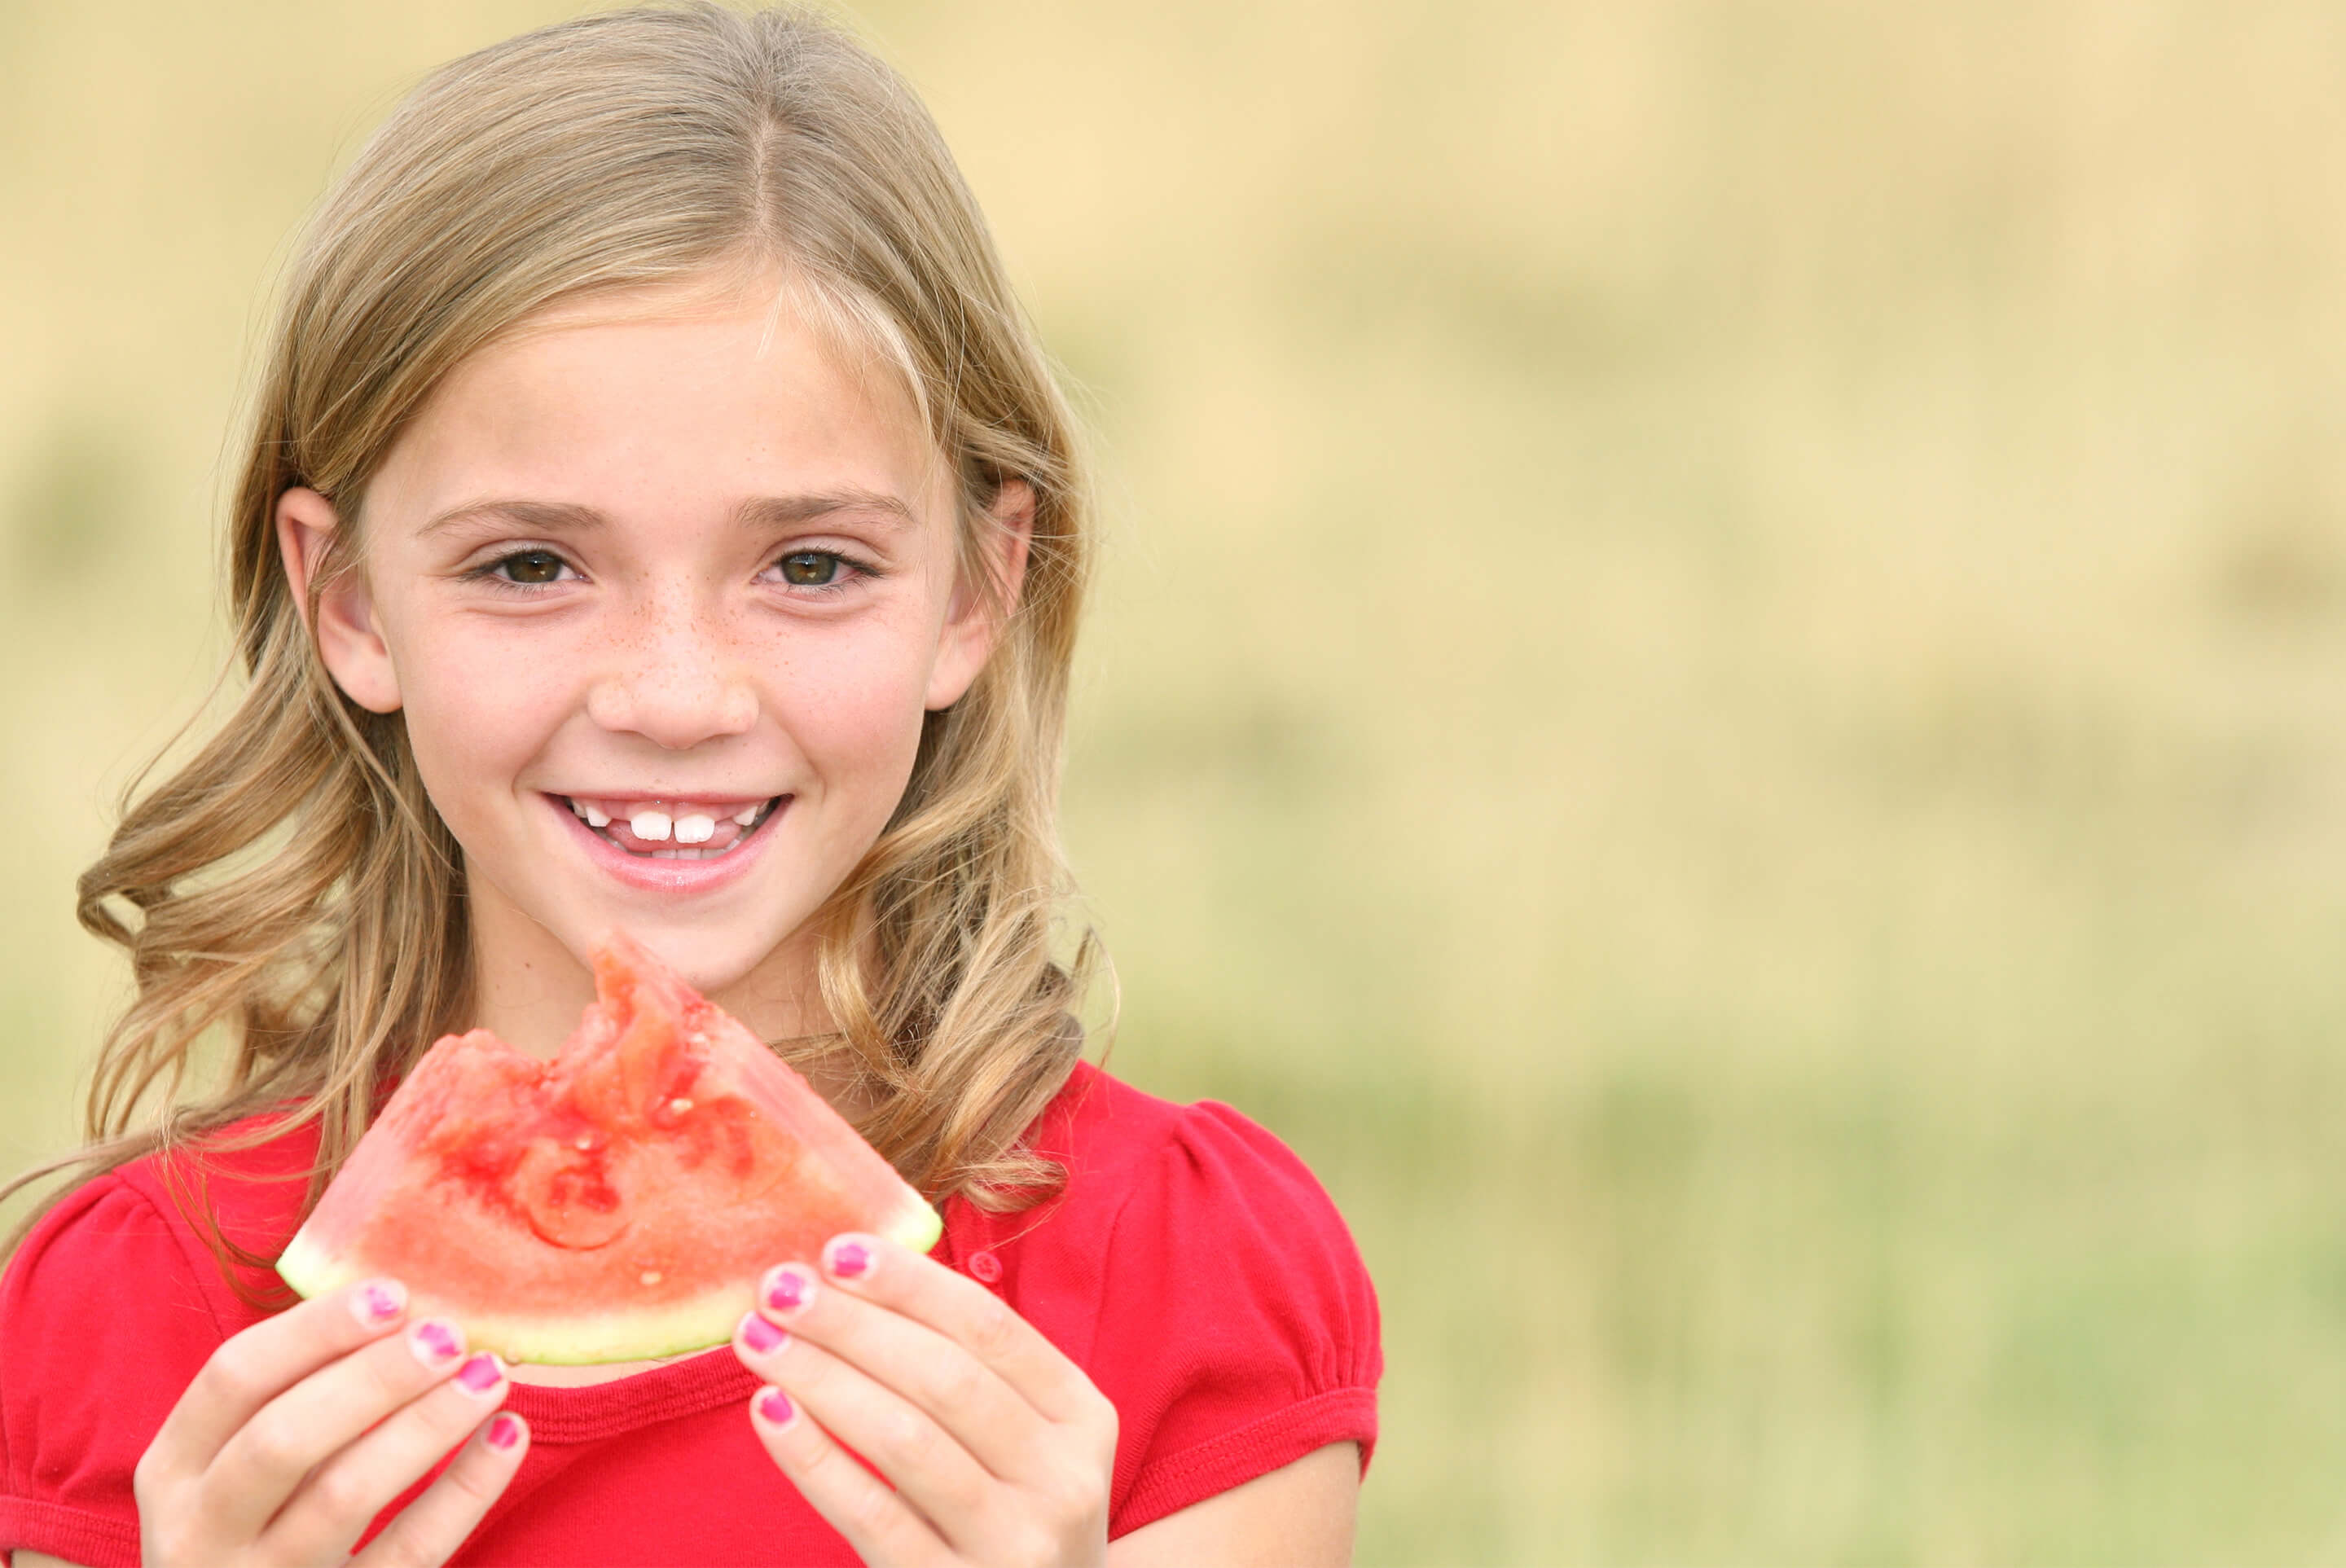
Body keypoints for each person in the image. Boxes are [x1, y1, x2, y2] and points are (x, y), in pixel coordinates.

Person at [0, 5, 1381, 1564]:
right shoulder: (130, 1318)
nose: (674, 695)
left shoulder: (1179, 1281)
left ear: (977, 591)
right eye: (531, 564)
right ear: (353, 603)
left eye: (809, 565)